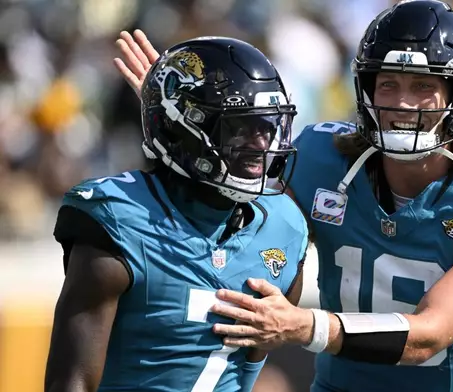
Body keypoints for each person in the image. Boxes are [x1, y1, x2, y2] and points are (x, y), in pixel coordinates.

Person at [114, 1, 453, 391]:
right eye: (388, 84)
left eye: (423, 86)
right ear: (365, 88)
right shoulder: (318, 159)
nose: (402, 103)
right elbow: (241, 215)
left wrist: (303, 326)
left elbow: (429, 334)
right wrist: (185, 122)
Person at [44, 36, 308, 392]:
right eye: (240, 128)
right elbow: (70, 382)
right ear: (182, 128)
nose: (261, 145)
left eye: (266, 126)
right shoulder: (120, 219)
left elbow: (250, 367)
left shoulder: (283, 228)